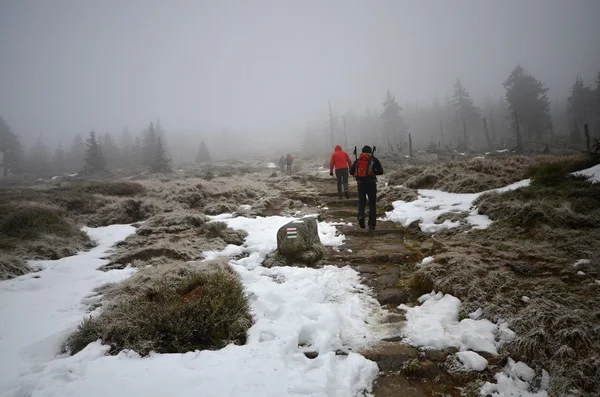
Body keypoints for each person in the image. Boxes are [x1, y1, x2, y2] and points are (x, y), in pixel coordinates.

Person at [350, 145, 384, 230]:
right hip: (371, 184)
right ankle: (371, 224)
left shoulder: (358, 160)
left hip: (361, 184)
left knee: (362, 202)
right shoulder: (373, 159)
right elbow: (381, 171)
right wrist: (373, 172)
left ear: (362, 151)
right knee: (372, 203)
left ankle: (361, 216)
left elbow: (351, 171)